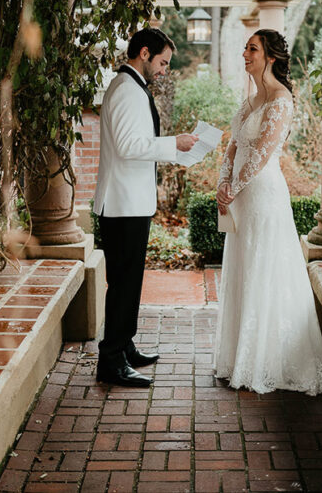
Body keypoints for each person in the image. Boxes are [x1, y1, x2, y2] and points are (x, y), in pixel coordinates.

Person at [214, 29, 322, 395]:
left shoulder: (281, 100)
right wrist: (222, 181)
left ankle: (266, 361)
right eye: (245, 47)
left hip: (263, 196)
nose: (244, 53)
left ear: (270, 58)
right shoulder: (250, 100)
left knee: (265, 269)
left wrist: (234, 187)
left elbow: (262, 153)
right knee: (244, 268)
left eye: (252, 49)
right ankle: (240, 358)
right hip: (241, 198)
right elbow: (233, 146)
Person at [93, 27, 199, 387]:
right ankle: (111, 360)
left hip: (131, 202)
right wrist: (175, 144)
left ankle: (124, 347)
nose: (165, 70)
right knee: (122, 283)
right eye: (163, 62)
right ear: (143, 53)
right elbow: (127, 145)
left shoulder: (133, 88)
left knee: (129, 281)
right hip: (122, 205)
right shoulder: (125, 90)